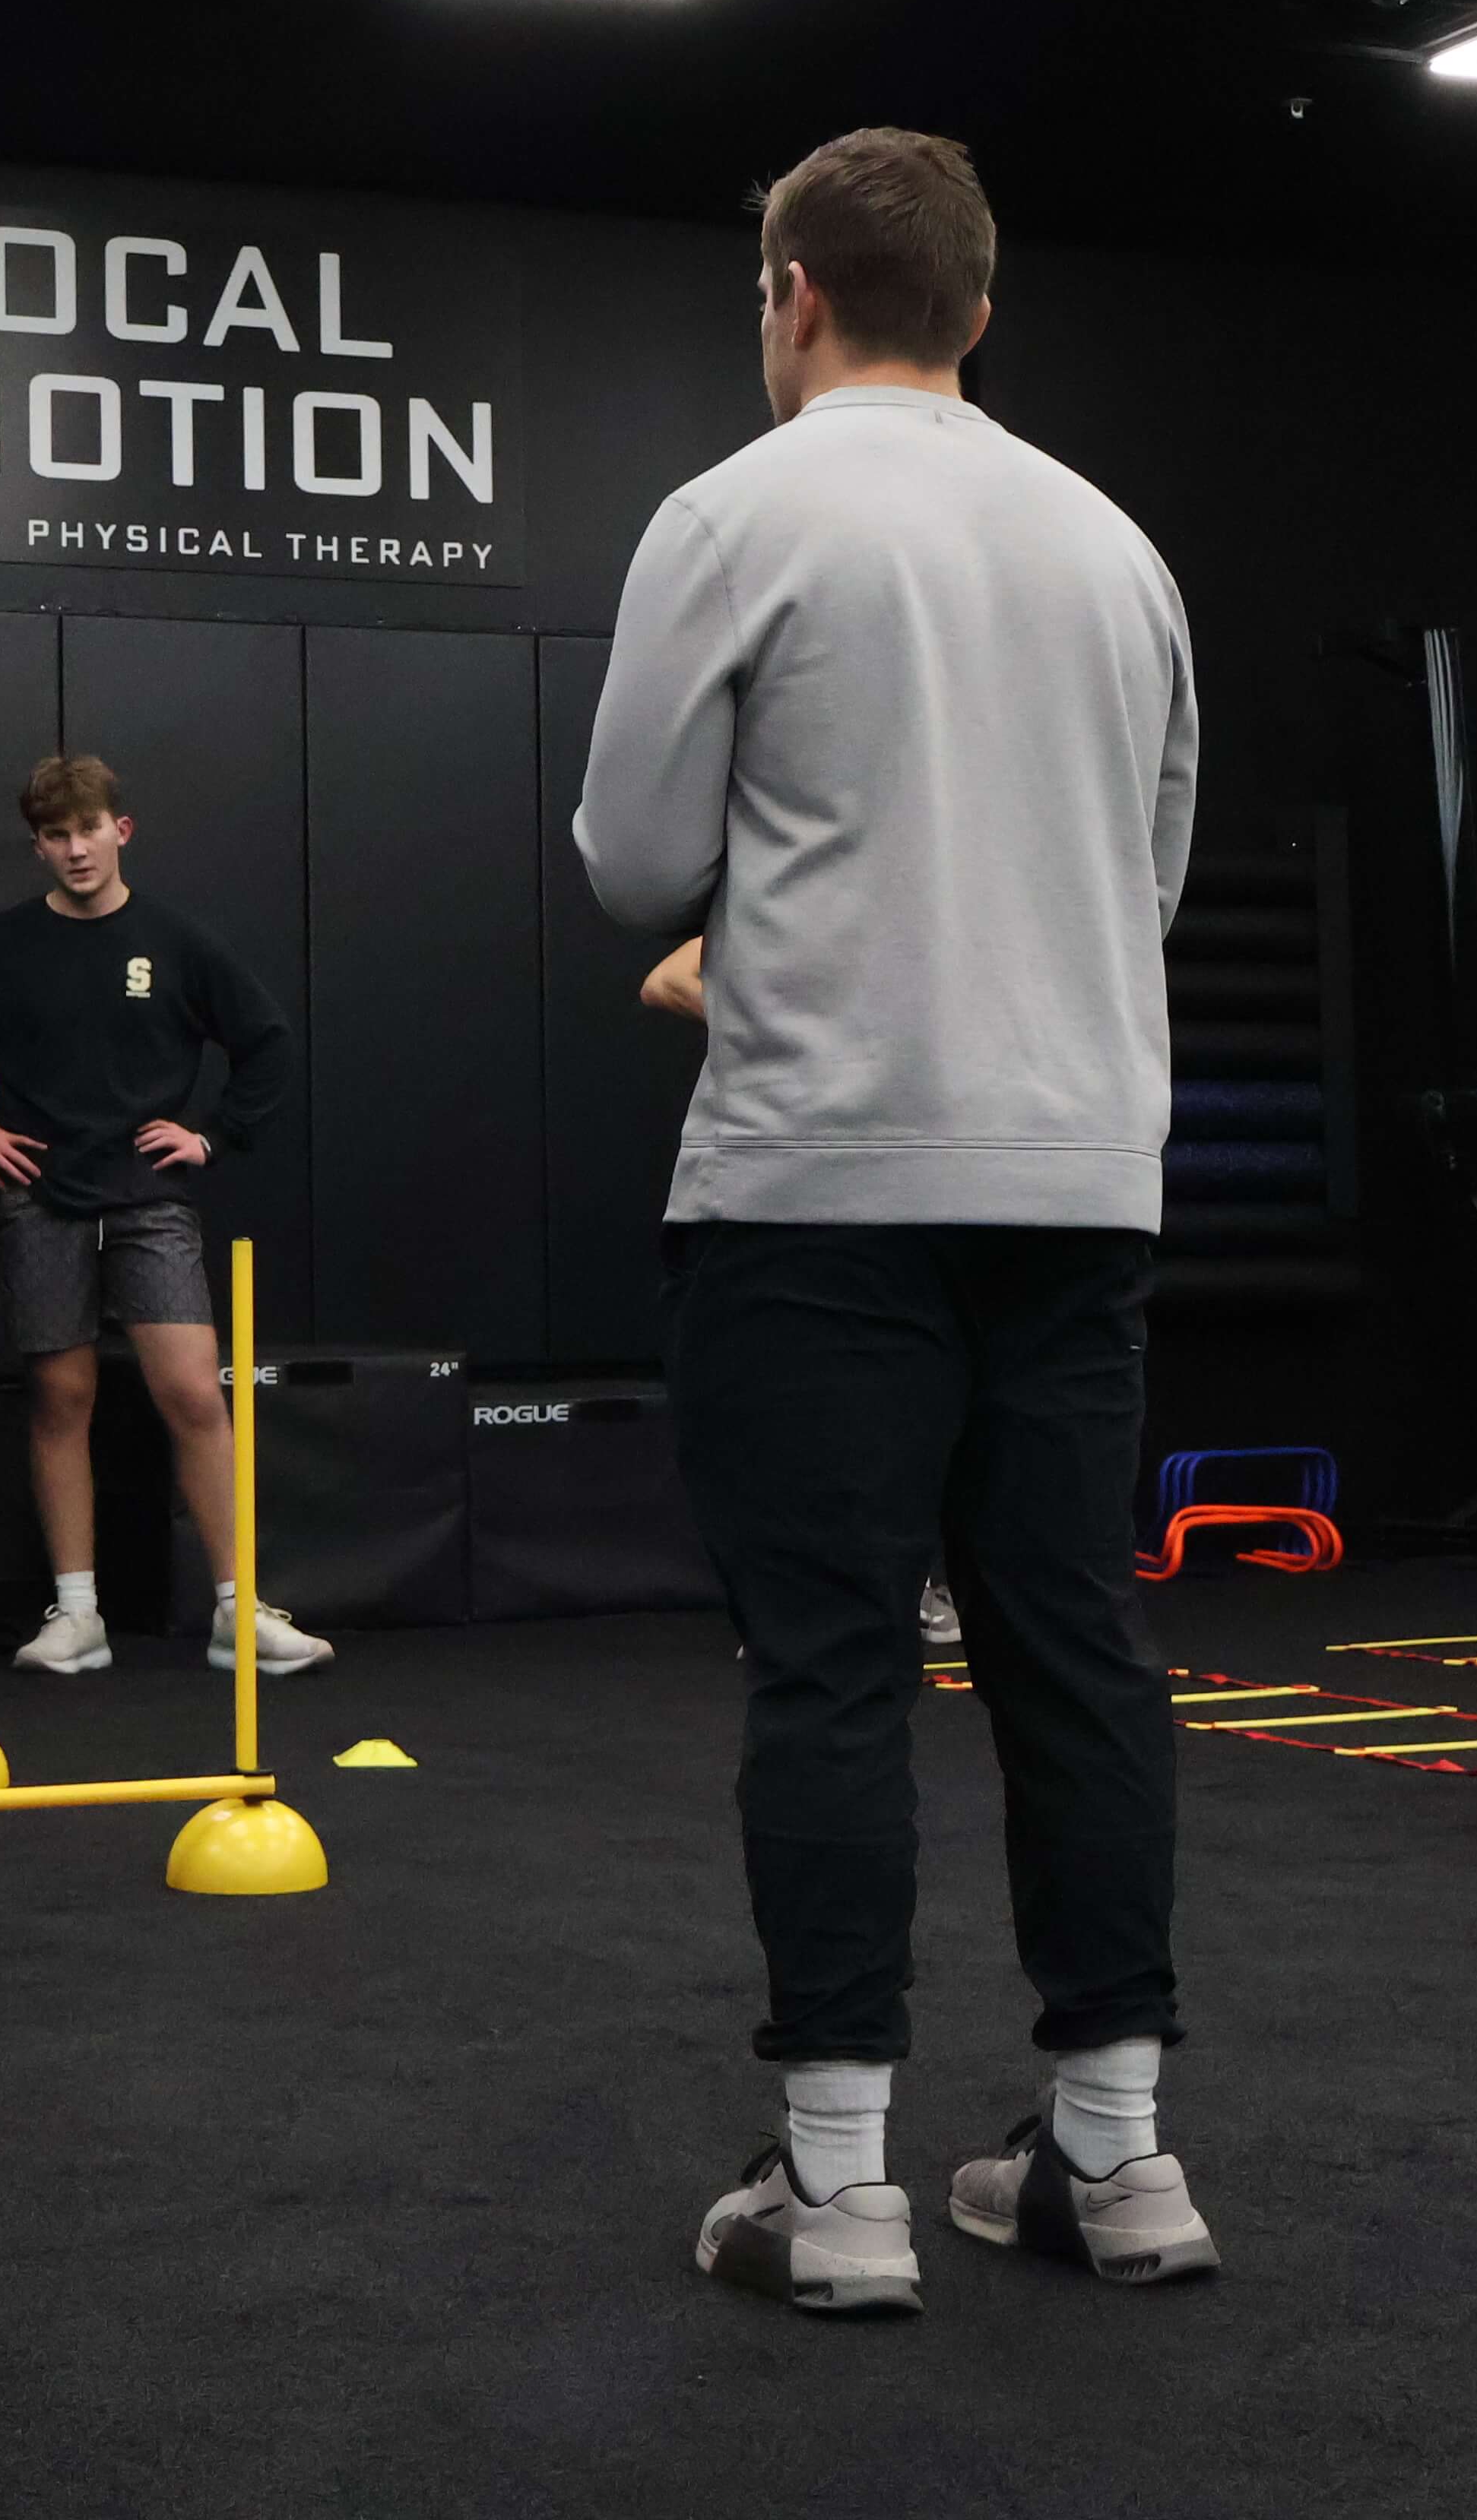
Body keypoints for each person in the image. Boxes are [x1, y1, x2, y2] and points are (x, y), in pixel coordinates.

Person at [577, 128, 1210, 2316]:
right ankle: (1118, 2162)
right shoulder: (1115, 546)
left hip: (822, 1181)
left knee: (837, 1662)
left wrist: (767, 944)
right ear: (980, 307)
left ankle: (838, 2194)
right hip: (1071, 1173)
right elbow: (1145, 887)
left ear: (791, 294)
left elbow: (634, 863)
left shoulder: (734, 515)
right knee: (1073, 1649)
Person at [0, 755, 325, 1679]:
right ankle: (78, 1614)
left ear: (124, 830)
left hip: (150, 1197)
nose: (75, 849)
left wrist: (213, 1136)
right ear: (37, 846)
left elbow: (266, 1044)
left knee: (195, 1392)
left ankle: (239, 1608)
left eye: (90, 830)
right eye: (56, 836)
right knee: (61, 1398)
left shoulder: (179, 942)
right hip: (40, 1197)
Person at [646, 936, 968, 1663]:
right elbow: (665, 975)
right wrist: (797, 1038)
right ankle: (808, 1609)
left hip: (956, 1191)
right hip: (814, 1196)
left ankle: (908, 1585)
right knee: (817, 1423)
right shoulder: (809, 921)